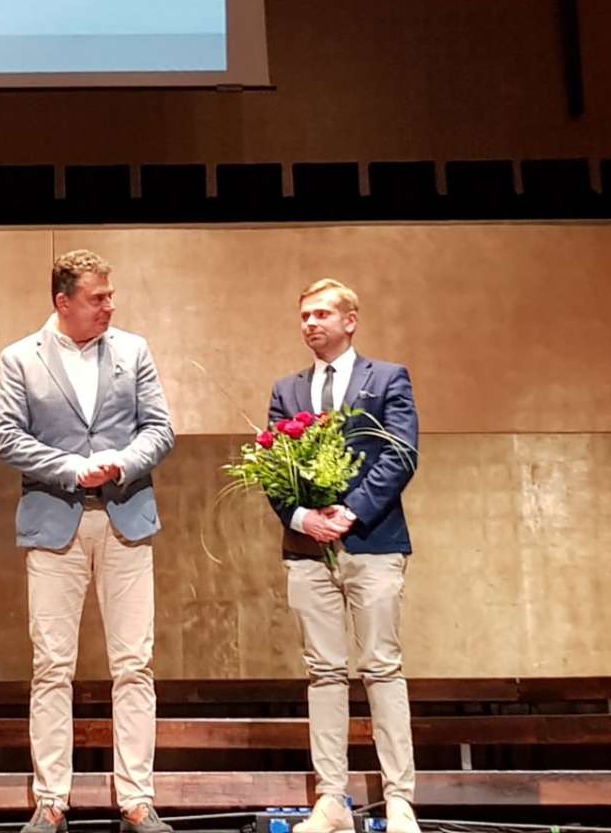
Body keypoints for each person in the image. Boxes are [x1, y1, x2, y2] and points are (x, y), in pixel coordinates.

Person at [0, 249, 176, 833]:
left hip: (126, 519)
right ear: (63, 302)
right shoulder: (21, 357)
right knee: (52, 665)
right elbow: (8, 439)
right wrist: (75, 468)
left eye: (110, 296)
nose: (109, 306)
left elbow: (160, 429)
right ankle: (51, 800)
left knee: (134, 663)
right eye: (97, 298)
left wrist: (121, 462)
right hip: (55, 523)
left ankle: (137, 799)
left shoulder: (133, 350)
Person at [265, 278, 421, 833]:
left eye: (322, 314)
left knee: (381, 668)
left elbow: (401, 454)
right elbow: (273, 465)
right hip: (308, 550)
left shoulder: (388, 378)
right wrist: (302, 518)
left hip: (372, 543)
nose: (311, 323)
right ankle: (331, 799)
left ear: (350, 321)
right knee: (324, 673)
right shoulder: (287, 389)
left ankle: (399, 799)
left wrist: (350, 512)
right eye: (305, 315)